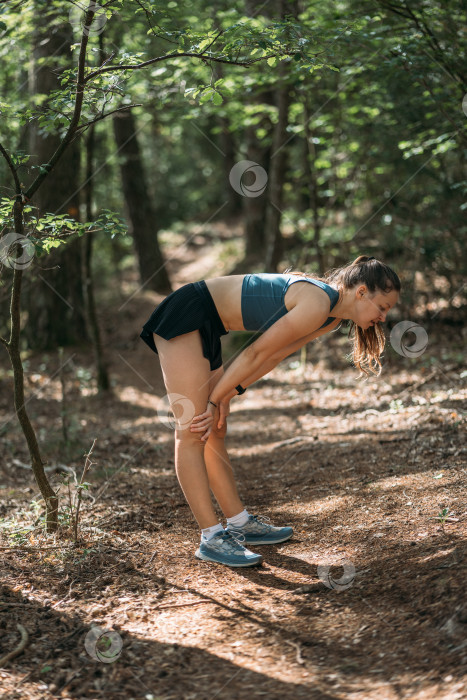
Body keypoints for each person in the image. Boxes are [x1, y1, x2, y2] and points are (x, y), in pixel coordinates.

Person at [140, 255, 401, 568]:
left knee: (216, 430)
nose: (383, 317)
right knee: (194, 428)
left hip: (208, 323)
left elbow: (273, 356)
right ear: (360, 292)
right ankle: (210, 537)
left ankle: (238, 523)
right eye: (382, 307)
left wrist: (227, 394)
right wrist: (214, 399)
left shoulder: (329, 317)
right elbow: (255, 351)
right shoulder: (317, 303)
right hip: (186, 312)